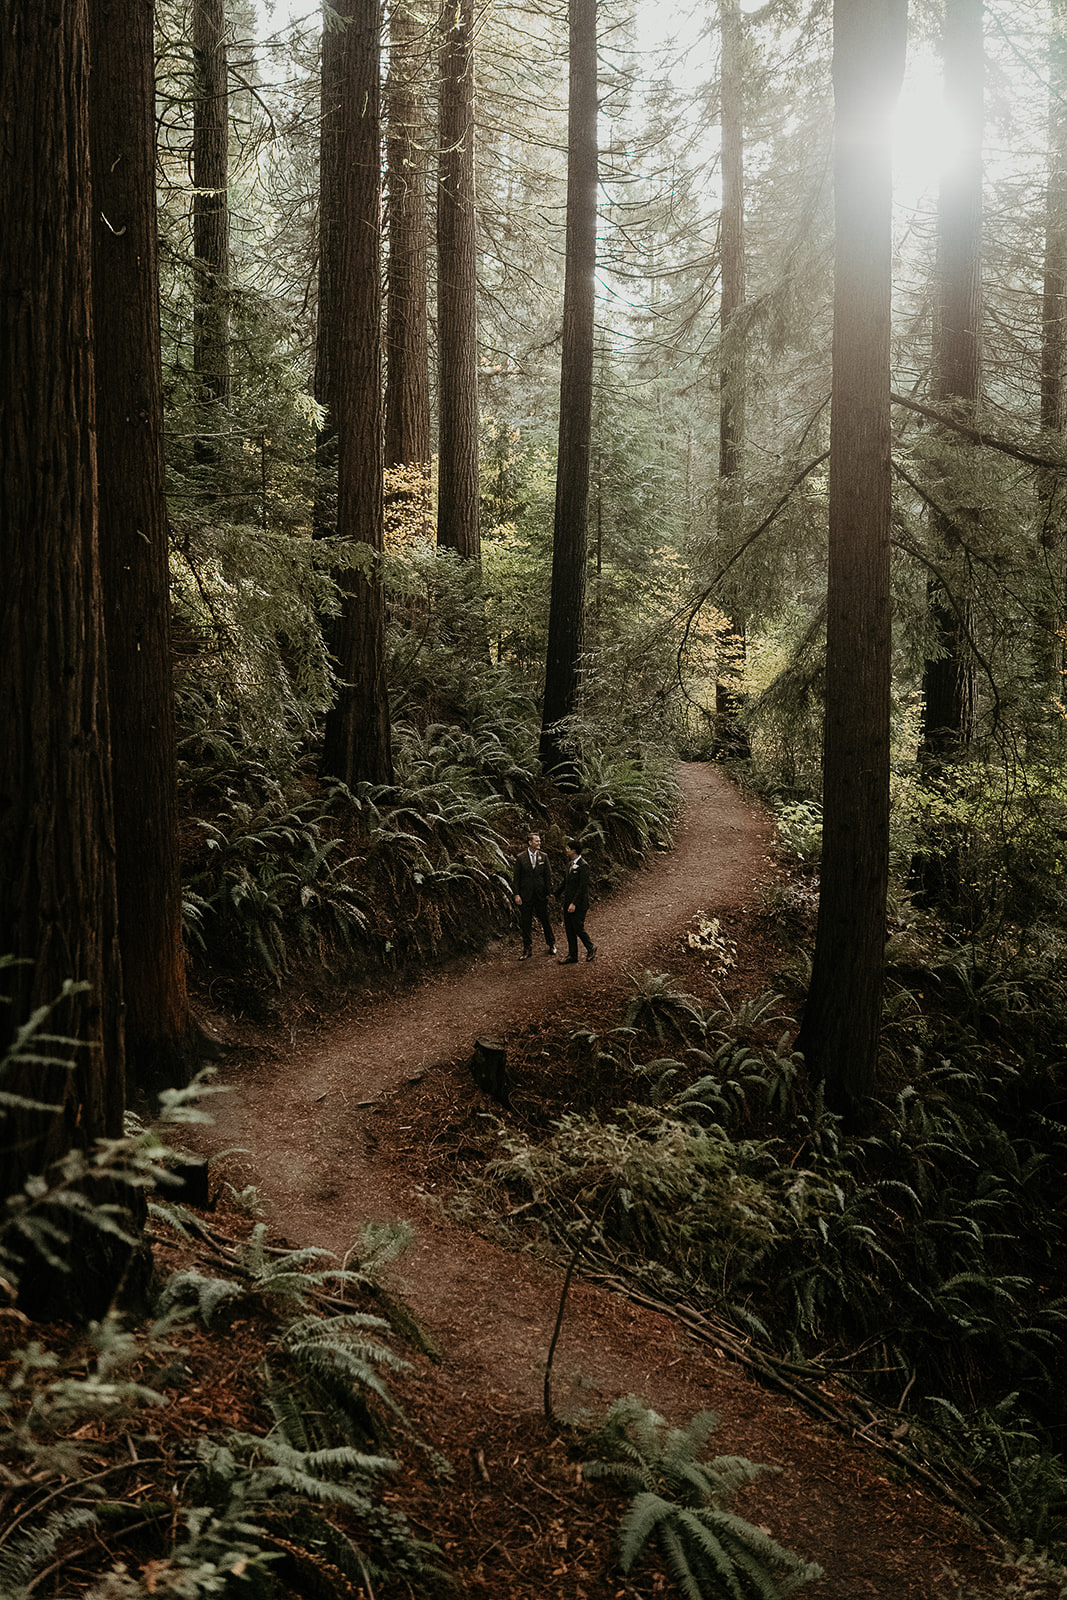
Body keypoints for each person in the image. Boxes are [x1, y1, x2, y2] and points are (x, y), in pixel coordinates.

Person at [512, 831, 556, 960]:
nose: (539, 843)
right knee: (526, 922)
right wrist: (516, 894)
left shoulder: (544, 856)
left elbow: (548, 876)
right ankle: (527, 949)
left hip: (540, 895)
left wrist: (549, 893)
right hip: (525, 896)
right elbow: (516, 878)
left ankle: (551, 944)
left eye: (539, 841)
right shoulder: (521, 857)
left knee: (545, 920)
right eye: (536, 841)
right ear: (530, 842)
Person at [556, 838, 596, 964]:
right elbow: (566, 882)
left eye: (568, 848)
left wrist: (574, 903)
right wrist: (556, 893)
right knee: (569, 929)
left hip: (578, 904)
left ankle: (591, 948)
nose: (566, 850)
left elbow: (582, 888)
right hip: (568, 902)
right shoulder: (570, 864)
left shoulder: (584, 866)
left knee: (578, 927)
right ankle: (573, 955)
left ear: (574, 850)